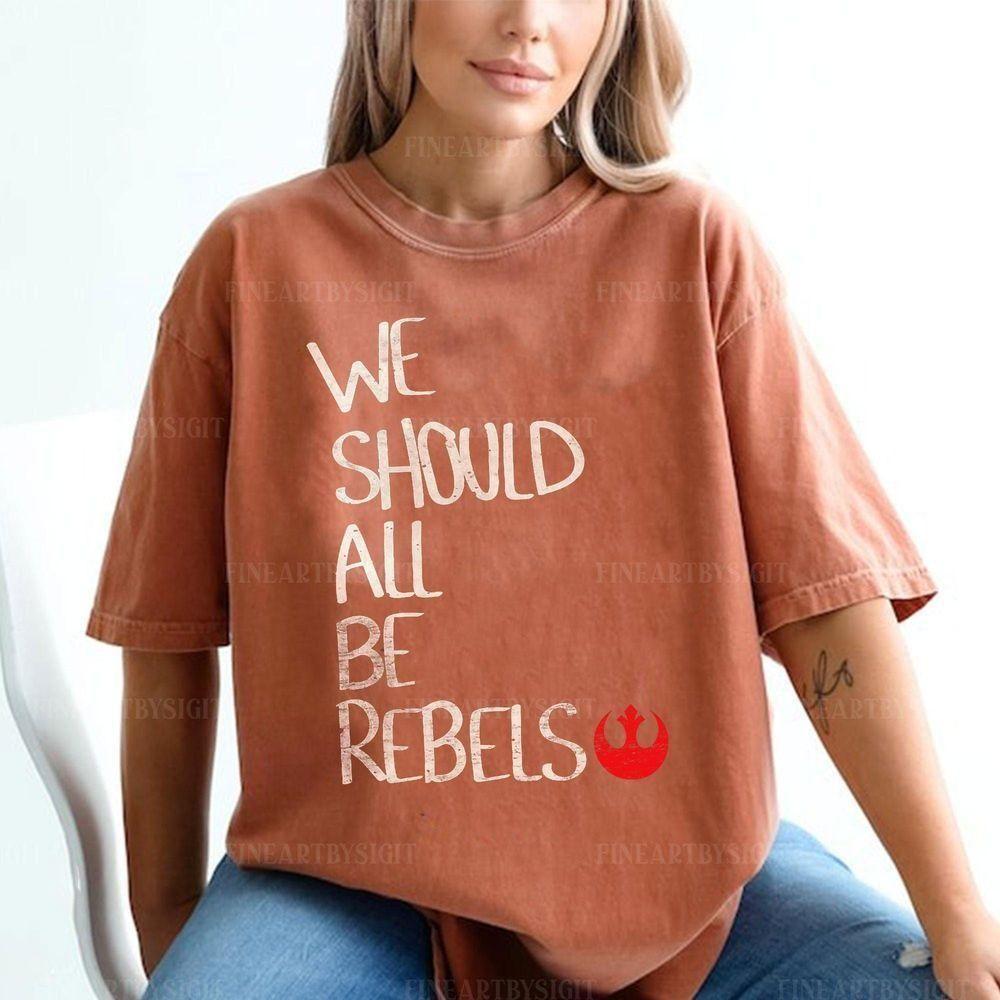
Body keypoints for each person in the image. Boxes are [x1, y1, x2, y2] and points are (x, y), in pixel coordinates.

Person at [87, 1, 1000, 997]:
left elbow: (828, 603)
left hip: (686, 878)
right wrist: (168, 929)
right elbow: (165, 632)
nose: (528, 22)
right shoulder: (255, 262)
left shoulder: (694, 247)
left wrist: (954, 911)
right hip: (342, 886)